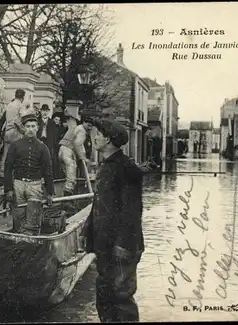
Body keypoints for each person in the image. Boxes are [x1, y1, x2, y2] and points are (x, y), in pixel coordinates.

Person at [81, 118, 144, 322]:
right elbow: (100, 205)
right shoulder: (107, 166)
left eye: (98, 134)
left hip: (121, 247)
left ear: (108, 139)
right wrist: (87, 232)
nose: (94, 137)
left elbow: (132, 212)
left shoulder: (127, 169)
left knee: (121, 298)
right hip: (105, 245)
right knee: (105, 297)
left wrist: (123, 246)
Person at [4, 113, 54, 235]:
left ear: (38, 128)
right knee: (19, 218)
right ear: (24, 128)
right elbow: (8, 168)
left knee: (33, 220)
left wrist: (50, 193)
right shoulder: (15, 146)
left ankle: (33, 245)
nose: (30, 129)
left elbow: (48, 171)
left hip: (35, 186)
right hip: (18, 185)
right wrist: (9, 189)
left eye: (33, 126)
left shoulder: (43, 148)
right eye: (28, 126)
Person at [58, 109, 94, 196]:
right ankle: (67, 200)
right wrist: (83, 157)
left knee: (68, 176)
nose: (90, 127)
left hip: (61, 150)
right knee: (71, 178)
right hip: (68, 152)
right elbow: (77, 144)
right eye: (89, 125)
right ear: (84, 123)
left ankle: (64, 196)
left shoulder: (76, 127)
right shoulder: (82, 130)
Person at [0, 89, 28, 185]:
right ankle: (17, 176)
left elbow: (5, 120)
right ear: (23, 97)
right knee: (19, 155)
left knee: (5, 155)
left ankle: (2, 176)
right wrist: (24, 130)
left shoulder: (9, 105)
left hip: (8, 132)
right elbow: (20, 120)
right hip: (16, 133)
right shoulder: (20, 106)